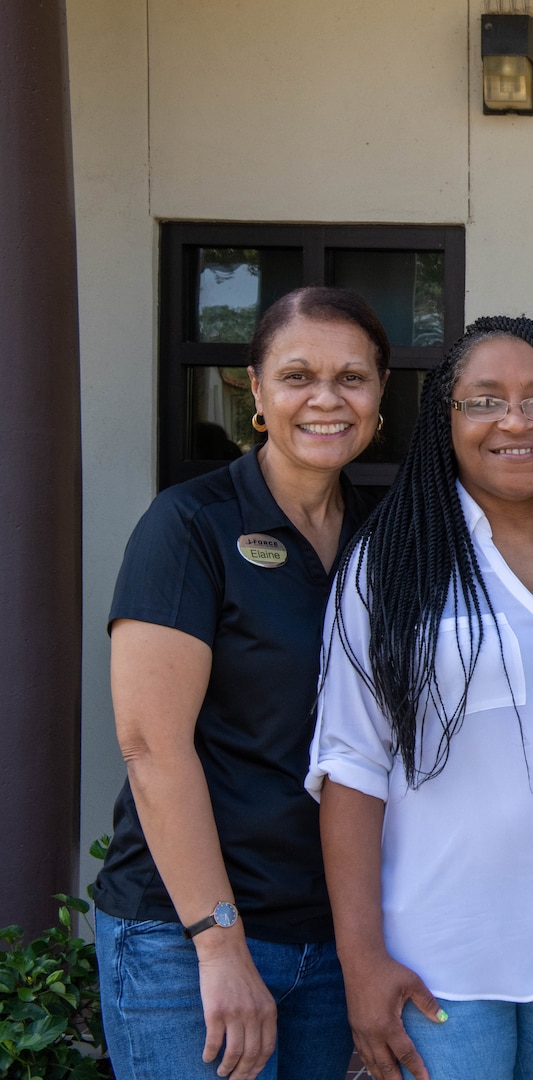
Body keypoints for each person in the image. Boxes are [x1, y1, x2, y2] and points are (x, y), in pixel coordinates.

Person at [307, 316, 533, 1080]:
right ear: (447, 418)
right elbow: (350, 764)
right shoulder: (392, 561)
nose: (515, 421)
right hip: (440, 962)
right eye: (483, 400)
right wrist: (362, 961)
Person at [94, 286, 391, 1080]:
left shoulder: (382, 538)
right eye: (298, 376)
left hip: (329, 941)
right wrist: (219, 944)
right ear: (256, 392)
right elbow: (150, 746)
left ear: (380, 394)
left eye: (351, 378)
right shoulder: (190, 524)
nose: (326, 399)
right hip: (186, 938)